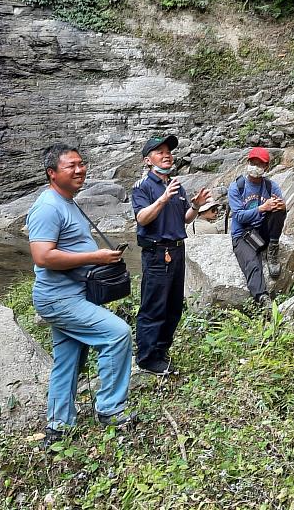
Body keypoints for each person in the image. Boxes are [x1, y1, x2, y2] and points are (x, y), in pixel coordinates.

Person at [26, 143, 135, 443]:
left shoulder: (68, 201)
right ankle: (110, 409)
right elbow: (43, 257)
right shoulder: (48, 207)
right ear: (52, 173)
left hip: (75, 294)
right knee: (117, 334)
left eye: (81, 163)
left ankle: (58, 427)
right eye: (71, 166)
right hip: (60, 298)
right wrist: (94, 258)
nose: (79, 169)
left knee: (68, 359)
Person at [132, 135, 210, 376]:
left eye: (168, 151)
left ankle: (161, 351)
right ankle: (146, 358)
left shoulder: (175, 185)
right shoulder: (143, 186)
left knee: (174, 305)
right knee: (154, 304)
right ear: (147, 160)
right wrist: (163, 199)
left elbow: (183, 220)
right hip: (157, 252)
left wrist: (195, 206)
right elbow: (142, 218)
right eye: (159, 152)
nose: (166, 155)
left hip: (177, 249)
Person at [228, 147, 287, 307]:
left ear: (266, 167)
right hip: (243, 234)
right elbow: (239, 216)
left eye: (260, 164)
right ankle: (262, 298)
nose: (255, 167)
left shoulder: (270, 186)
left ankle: (273, 249)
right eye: (253, 163)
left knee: (279, 210)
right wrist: (262, 208)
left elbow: (279, 209)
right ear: (248, 163)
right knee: (253, 263)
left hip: (263, 231)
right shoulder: (237, 187)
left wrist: (280, 206)